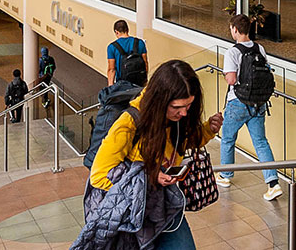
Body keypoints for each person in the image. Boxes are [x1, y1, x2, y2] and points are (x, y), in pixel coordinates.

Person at [78, 60, 223, 249]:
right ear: (161, 101)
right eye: (177, 107)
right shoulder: (128, 125)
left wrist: (207, 130)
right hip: (132, 215)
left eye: (188, 106)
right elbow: (99, 176)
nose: (184, 113)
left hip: (165, 206)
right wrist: (150, 177)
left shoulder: (174, 119)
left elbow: (183, 142)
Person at [215, 14, 282, 201]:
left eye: (231, 29)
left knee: (227, 138)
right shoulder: (260, 48)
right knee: (261, 142)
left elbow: (231, 79)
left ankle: (226, 175)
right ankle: (273, 183)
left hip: (238, 102)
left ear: (235, 30)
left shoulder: (233, 52)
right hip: (258, 103)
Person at [106, 19, 148, 86]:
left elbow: (112, 69)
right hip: (139, 81)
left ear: (116, 32)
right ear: (127, 30)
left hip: (122, 83)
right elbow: (145, 62)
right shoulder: (140, 43)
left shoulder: (112, 47)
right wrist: (144, 80)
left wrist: (110, 86)